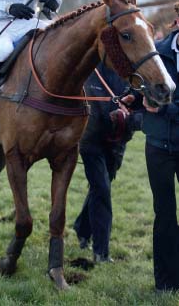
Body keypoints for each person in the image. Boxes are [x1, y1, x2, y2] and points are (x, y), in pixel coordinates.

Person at [73, 62, 143, 263]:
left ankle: (82, 228)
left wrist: (127, 119)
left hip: (118, 142)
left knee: (100, 187)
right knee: (102, 188)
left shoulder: (135, 70)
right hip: (91, 140)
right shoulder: (90, 67)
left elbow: (143, 111)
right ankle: (101, 252)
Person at [138, 5, 179, 292]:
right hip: (158, 147)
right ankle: (165, 283)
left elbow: (161, 104)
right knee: (164, 214)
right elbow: (141, 86)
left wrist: (162, 108)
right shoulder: (159, 51)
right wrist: (136, 98)